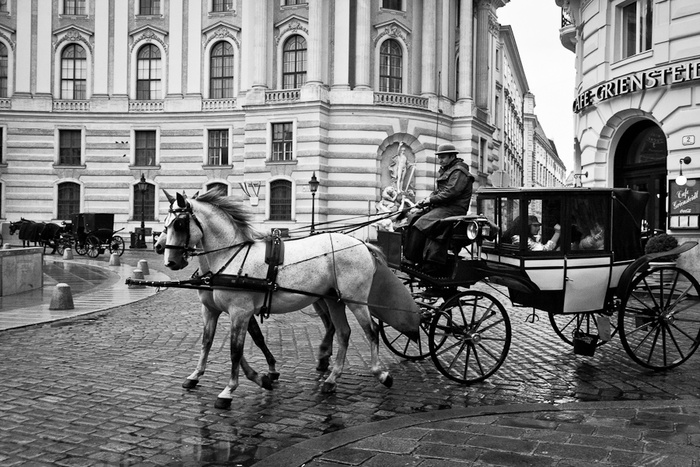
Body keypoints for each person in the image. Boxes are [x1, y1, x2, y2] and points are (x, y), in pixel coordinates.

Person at [403, 143, 474, 272]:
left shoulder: (459, 172)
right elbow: (439, 191)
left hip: (454, 209)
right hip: (443, 207)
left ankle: (412, 260)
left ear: (452, 156)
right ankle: (411, 257)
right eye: (439, 157)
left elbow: (451, 192)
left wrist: (430, 200)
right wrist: (427, 199)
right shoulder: (447, 170)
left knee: (420, 225)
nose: (440, 160)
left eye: (443, 157)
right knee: (413, 218)